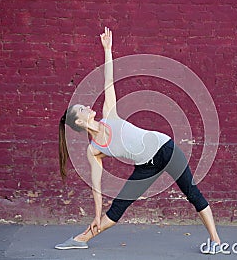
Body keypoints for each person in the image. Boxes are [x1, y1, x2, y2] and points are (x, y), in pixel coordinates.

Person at [55, 27, 222, 254]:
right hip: (145, 166)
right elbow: (96, 186)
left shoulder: (109, 114)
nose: (86, 106)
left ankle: (216, 241)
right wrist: (96, 214)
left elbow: (109, 80)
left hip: (166, 149)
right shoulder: (94, 150)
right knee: (117, 208)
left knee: (192, 194)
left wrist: (107, 50)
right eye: (81, 109)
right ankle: (81, 238)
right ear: (80, 122)